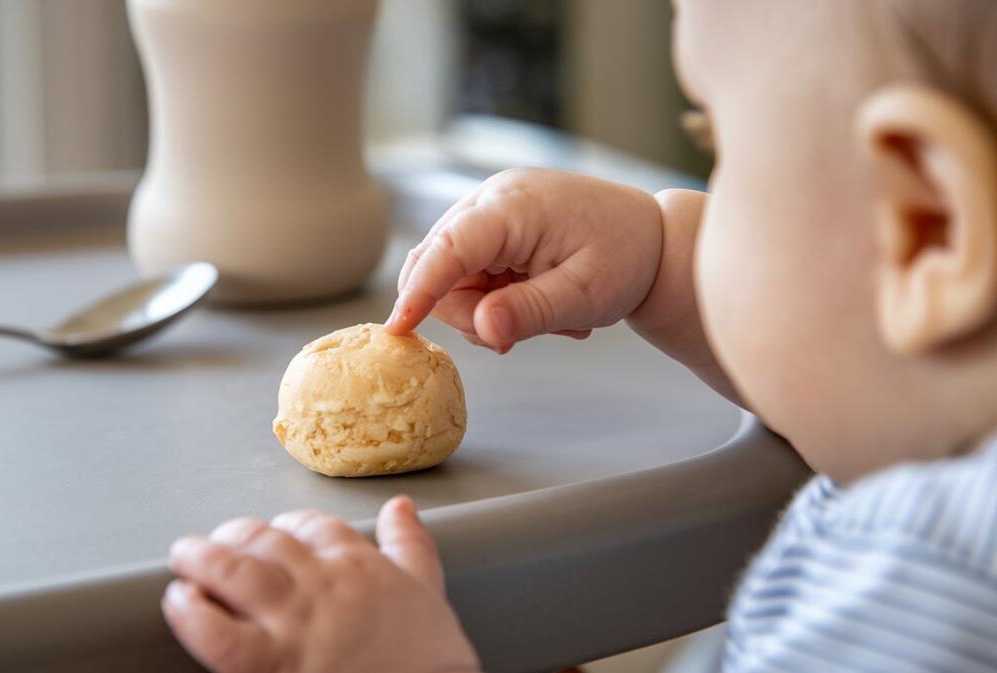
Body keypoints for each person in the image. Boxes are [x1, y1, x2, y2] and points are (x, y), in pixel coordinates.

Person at [162, 1, 997, 670]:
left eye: (719, 146)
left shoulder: (917, 594)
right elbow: (870, 366)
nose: (705, 182)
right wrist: (663, 256)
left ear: (929, 226)